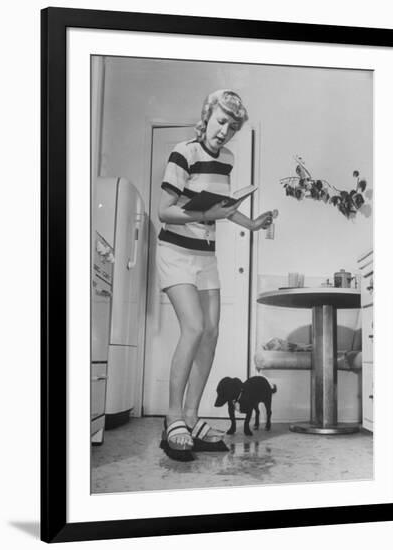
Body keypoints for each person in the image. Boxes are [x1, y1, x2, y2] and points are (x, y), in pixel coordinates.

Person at [157, 89, 274, 461]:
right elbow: (165, 211)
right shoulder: (183, 151)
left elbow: (223, 207)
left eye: (232, 127)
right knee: (192, 327)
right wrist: (206, 215)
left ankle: (192, 417)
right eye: (221, 121)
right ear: (208, 116)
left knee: (210, 333)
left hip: (206, 257)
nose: (224, 131)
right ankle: (172, 416)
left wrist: (252, 223)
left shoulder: (227, 159)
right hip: (175, 251)